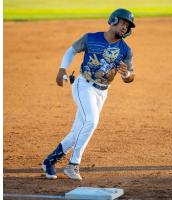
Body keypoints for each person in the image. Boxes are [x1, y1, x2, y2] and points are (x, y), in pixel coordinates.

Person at [42, 8, 136, 180]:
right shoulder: (91, 38)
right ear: (113, 20)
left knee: (78, 130)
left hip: (102, 92)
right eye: (123, 23)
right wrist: (61, 69)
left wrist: (126, 74)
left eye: (127, 26)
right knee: (92, 121)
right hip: (83, 85)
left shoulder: (126, 50)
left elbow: (131, 76)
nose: (124, 28)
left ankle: (50, 160)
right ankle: (73, 164)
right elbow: (71, 50)